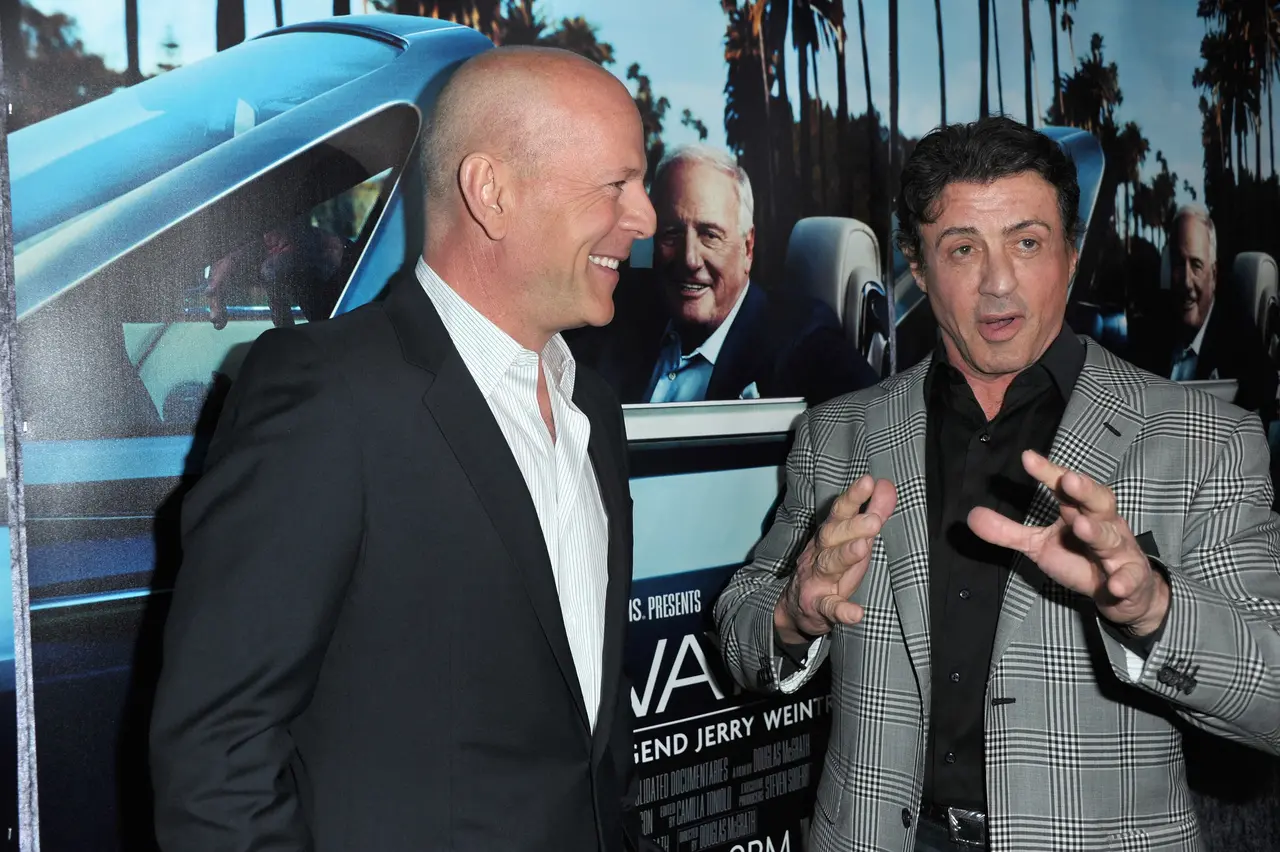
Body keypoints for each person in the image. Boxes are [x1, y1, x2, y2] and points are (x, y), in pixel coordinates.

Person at [714, 116, 1280, 851]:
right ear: (919, 267)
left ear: (1070, 254)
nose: (998, 282)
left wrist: (1152, 610)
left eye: (1027, 242)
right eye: (962, 248)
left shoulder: (1205, 439)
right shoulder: (839, 433)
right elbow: (740, 631)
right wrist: (791, 615)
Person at [149, 46, 657, 852]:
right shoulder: (327, 395)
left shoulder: (591, 407)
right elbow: (218, 759)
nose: (646, 219)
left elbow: (583, 734)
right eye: (616, 185)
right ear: (491, 192)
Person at [572, 143, 878, 404]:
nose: (690, 259)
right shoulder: (619, 319)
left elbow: (881, 426)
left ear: (747, 247)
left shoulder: (800, 341)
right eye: (671, 233)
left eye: (710, 235)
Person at [1131, 203, 1277, 421]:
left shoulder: (1237, 335)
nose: (1186, 282)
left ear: (1214, 275)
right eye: (1178, 264)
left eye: (1196, 265)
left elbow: (1264, 386)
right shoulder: (1154, 330)